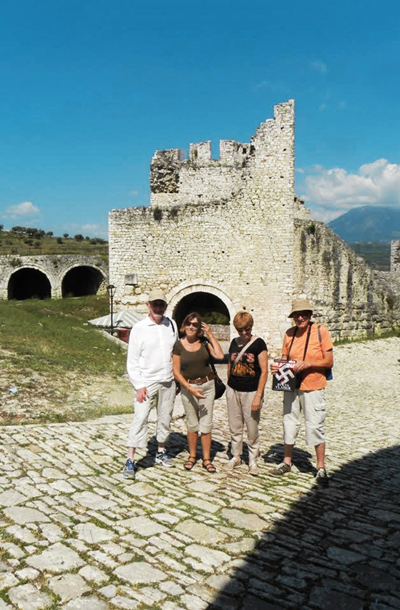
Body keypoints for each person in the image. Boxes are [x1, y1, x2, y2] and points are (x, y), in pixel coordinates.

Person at [270, 298, 333, 485]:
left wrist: (309, 364)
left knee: (315, 425)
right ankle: (287, 461)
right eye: (297, 315)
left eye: (303, 314)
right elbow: (284, 359)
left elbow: (329, 361)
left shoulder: (321, 331)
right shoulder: (289, 334)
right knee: (289, 422)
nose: (300, 317)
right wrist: (277, 368)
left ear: (309, 315)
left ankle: (320, 467)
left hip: (314, 384)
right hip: (291, 385)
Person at [122, 289, 178, 479]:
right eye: (155, 304)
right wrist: (139, 385)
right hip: (146, 382)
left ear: (165, 306)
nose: (158, 307)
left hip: (168, 380)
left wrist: (176, 377)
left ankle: (161, 450)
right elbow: (132, 360)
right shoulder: (139, 328)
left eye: (161, 304)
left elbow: (175, 353)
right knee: (140, 417)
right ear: (148, 305)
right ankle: (130, 458)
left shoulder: (171, 325)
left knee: (165, 417)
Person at [172, 312, 224, 473]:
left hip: (207, 385)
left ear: (199, 327)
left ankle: (207, 459)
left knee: (206, 424)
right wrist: (189, 389)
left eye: (195, 324)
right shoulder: (178, 345)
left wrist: (210, 333)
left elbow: (220, 355)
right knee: (192, 424)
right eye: (189, 323)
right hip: (189, 388)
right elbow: (176, 372)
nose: (191, 327)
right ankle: (192, 456)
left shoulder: (204, 342)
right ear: (184, 325)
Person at [226, 312, 268, 475]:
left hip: (251, 391)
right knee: (235, 425)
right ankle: (236, 455)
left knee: (252, 427)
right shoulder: (233, 343)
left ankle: (252, 458)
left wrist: (258, 395)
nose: (244, 333)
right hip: (234, 389)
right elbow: (230, 364)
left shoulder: (258, 344)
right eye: (241, 330)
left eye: (247, 329)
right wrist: (230, 384)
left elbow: (264, 371)